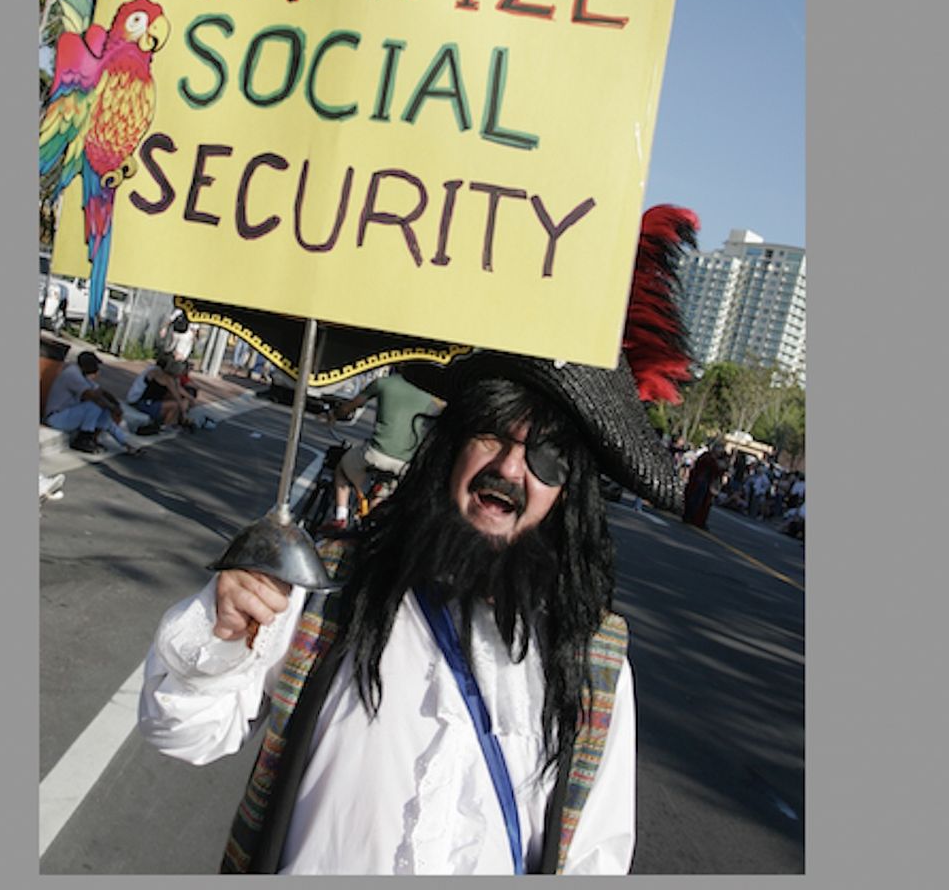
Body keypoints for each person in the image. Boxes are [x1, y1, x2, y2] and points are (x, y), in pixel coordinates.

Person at [138, 351, 684, 874]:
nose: (511, 467)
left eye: (547, 455)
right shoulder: (332, 586)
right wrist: (226, 629)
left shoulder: (593, 656)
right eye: (492, 432)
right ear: (453, 443)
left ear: (568, 493)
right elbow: (184, 732)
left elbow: (593, 857)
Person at [321, 370, 442, 531]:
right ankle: (371, 526)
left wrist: (333, 415)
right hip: (405, 463)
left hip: (376, 454)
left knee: (342, 470)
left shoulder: (383, 383)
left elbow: (350, 407)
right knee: (383, 492)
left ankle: (340, 518)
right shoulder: (431, 394)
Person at [43, 351, 141, 456]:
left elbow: (100, 391)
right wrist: (113, 408)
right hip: (56, 417)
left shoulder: (81, 374)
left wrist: (116, 404)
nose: (96, 369)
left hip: (67, 415)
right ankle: (83, 439)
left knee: (104, 411)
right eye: (94, 365)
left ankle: (126, 444)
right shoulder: (72, 374)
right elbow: (92, 396)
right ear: (87, 365)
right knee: (95, 405)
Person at [126, 356, 193, 434]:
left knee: (175, 402)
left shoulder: (162, 375)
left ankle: (172, 423)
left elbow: (176, 391)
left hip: (149, 402)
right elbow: (176, 395)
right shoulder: (167, 379)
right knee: (175, 404)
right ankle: (165, 426)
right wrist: (184, 413)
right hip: (146, 403)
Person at [682, 439, 725, 530]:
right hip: (700, 481)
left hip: (706, 482)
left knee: (703, 502)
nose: (720, 451)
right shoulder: (707, 457)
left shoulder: (715, 459)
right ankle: (690, 516)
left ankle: (696, 519)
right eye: (719, 449)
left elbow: (718, 472)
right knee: (696, 499)